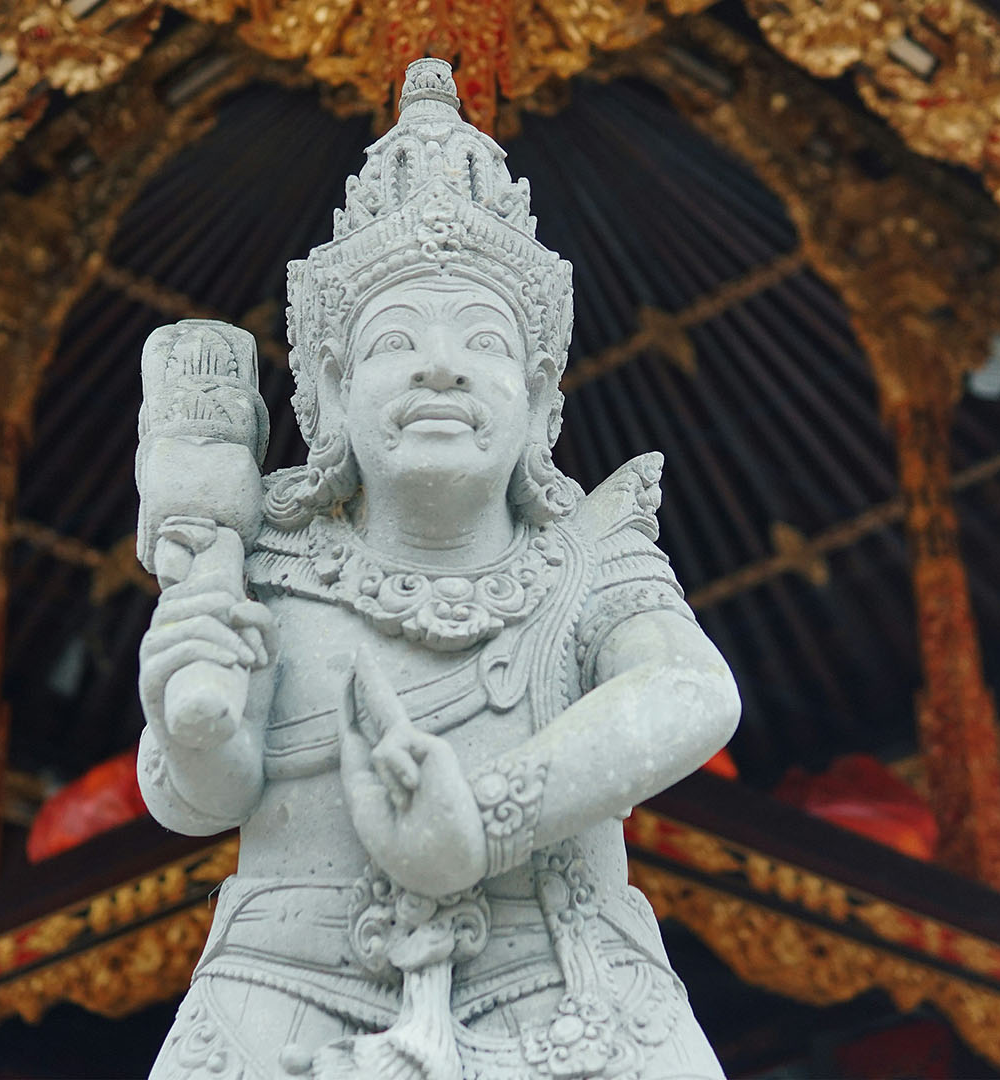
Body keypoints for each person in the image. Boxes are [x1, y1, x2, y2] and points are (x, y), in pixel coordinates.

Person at [137, 57, 739, 1080]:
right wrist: (191, 719)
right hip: (284, 993)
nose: (442, 367)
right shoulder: (268, 568)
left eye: (485, 344)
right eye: (397, 341)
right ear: (326, 393)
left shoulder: (589, 564)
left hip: (564, 984)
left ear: (542, 404)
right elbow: (202, 793)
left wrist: (486, 821)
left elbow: (691, 691)